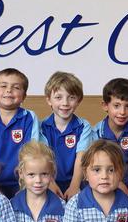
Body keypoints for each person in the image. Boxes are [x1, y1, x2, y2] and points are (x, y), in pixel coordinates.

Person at [0, 68, 40, 198]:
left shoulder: (29, 117)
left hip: (24, 183)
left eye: (16, 87)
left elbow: (32, 153)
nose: (9, 90)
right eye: (3, 86)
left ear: (24, 96)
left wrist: (25, 186)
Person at [39, 71, 96, 199]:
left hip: (77, 182)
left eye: (71, 97)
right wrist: (50, 183)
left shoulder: (83, 126)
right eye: (58, 97)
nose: (65, 103)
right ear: (49, 100)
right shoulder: (41, 127)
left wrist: (75, 186)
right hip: (48, 182)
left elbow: (81, 157)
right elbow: (43, 158)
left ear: (79, 100)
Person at [95, 78, 128, 198]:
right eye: (116, 106)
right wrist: (117, 183)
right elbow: (101, 163)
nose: (122, 112)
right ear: (105, 106)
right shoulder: (97, 131)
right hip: (106, 180)